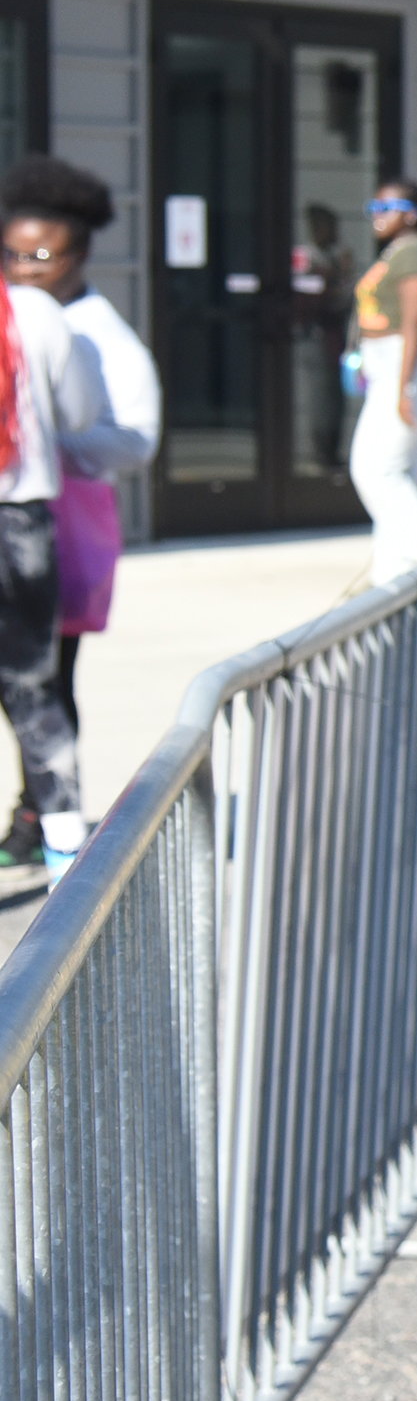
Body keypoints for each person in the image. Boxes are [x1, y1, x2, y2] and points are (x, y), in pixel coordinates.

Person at [0, 157, 149, 873]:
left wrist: (49, 439)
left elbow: (133, 435)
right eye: (15, 252)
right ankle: (47, 830)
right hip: (33, 519)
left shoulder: (92, 327)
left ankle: (44, 828)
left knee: (44, 683)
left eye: (42, 254)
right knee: (37, 689)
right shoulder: (40, 313)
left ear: (79, 254)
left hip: (69, 524)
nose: (27, 266)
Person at [349, 181, 417, 584]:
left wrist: (403, 386)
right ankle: (394, 578)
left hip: (411, 364)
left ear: (411, 213)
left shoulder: (414, 250)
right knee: (402, 471)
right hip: (392, 365)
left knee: (375, 470)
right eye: (374, 205)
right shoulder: (397, 250)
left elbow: (413, 322)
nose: (378, 213)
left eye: (389, 206)